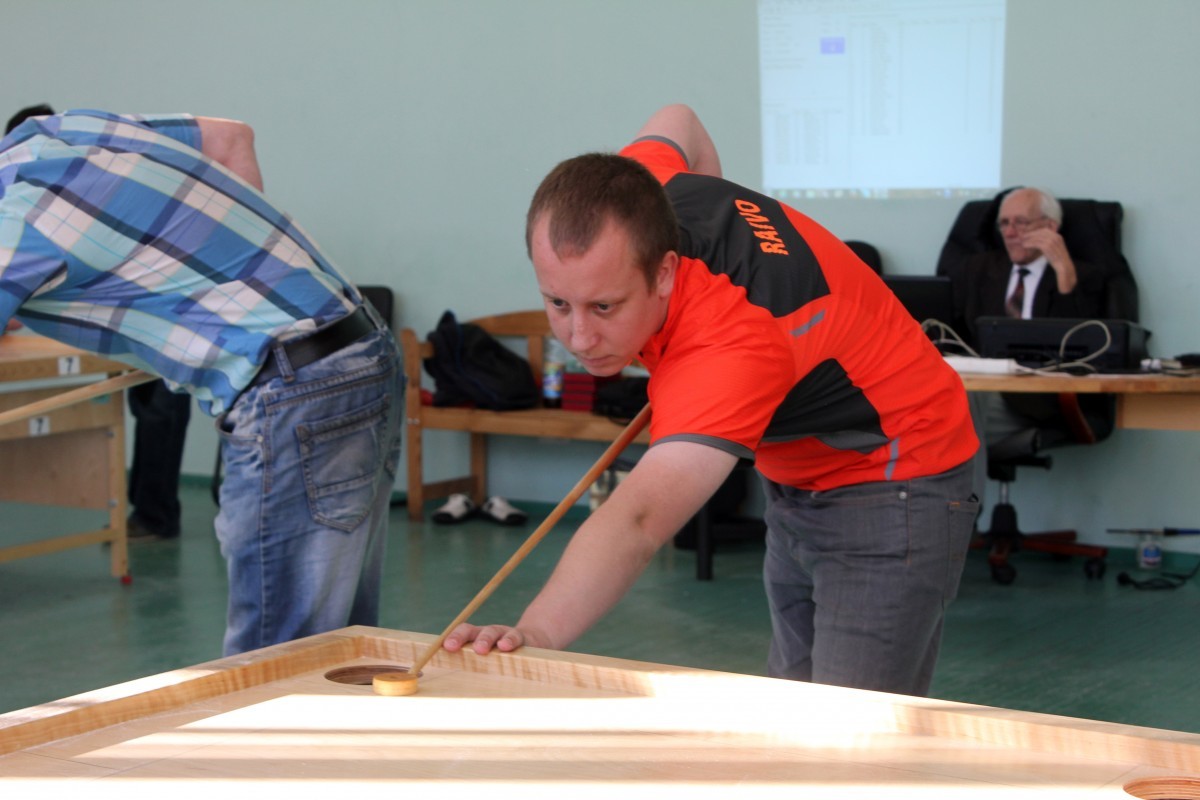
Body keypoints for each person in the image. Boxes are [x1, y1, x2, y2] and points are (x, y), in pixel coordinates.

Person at [443, 104, 980, 697]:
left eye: (604, 306)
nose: (579, 337)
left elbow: (639, 520)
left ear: (665, 272)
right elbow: (680, 119)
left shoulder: (730, 348)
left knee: (852, 729)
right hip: (798, 476)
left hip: (897, 476)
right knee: (797, 705)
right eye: (557, 302)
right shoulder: (638, 191)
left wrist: (538, 632)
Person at [0, 109, 404, 656]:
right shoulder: (57, 132)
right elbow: (232, 138)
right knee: (336, 645)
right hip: (358, 347)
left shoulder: (11, 225)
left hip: (298, 386)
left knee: (275, 663)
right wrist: (234, 285)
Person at [5, 103, 194, 541]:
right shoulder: (50, 182)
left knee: (161, 414)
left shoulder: (85, 178)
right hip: (131, 317)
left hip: (165, 312)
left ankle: (155, 516)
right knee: (146, 410)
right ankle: (147, 510)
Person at [958, 187, 1106, 494]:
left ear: (1050, 227)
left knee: (956, 418)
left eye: (1021, 222)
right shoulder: (979, 269)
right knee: (939, 407)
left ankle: (963, 515)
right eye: (1004, 223)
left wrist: (1064, 271)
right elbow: (956, 335)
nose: (1010, 232)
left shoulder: (1084, 276)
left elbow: (1084, 349)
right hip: (984, 388)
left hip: (1040, 400)